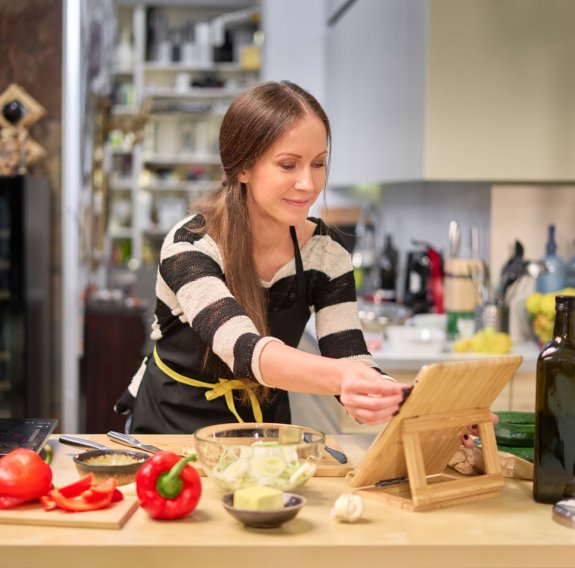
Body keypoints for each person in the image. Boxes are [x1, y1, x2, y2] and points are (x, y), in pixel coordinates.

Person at [115, 80, 410, 434]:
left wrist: (398, 401)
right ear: (243, 168)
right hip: (171, 428)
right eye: (288, 165)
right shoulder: (190, 247)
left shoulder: (325, 254)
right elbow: (243, 348)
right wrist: (343, 379)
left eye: (318, 164)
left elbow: (349, 355)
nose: (308, 183)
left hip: (263, 431)